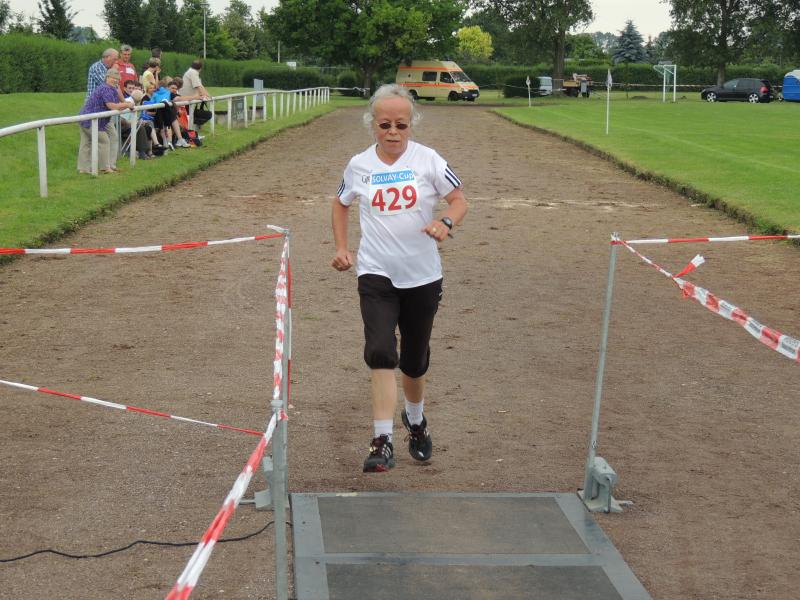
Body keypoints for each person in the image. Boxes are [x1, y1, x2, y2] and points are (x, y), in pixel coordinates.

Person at [331, 83, 468, 473]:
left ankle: (416, 420)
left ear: (411, 125)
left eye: (401, 125)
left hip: (422, 276)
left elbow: (459, 200)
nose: (393, 132)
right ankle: (382, 440)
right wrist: (342, 247)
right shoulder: (359, 165)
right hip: (376, 273)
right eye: (385, 125)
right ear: (372, 124)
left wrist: (445, 222)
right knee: (380, 352)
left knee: (413, 360)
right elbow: (340, 203)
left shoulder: (428, 159)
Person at [77, 69, 134, 174]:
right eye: (113, 78)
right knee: (104, 141)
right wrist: (127, 104)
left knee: (86, 143)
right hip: (91, 120)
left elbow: (116, 103)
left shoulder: (110, 88)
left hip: (87, 118)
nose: (115, 80)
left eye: (117, 79)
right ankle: (105, 168)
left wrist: (125, 103)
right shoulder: (106, 88)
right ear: (107, 77)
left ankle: (83, 169)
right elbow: (112, 106)